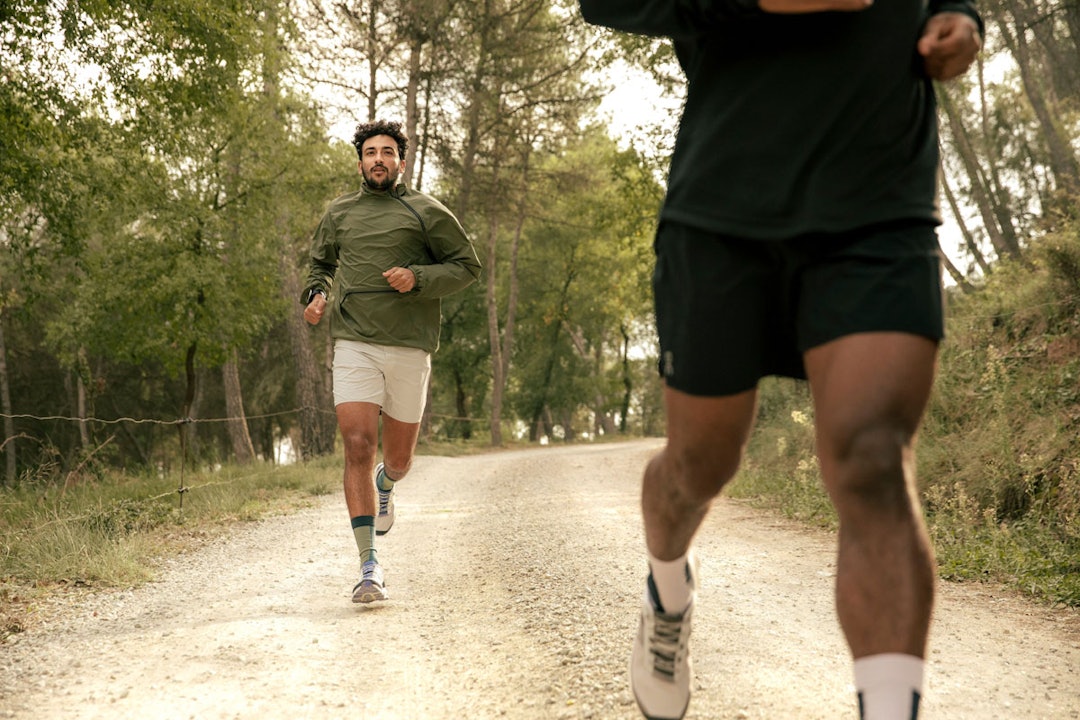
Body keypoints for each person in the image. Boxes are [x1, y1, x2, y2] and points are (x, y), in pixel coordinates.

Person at [577, 2, 982, 719]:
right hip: (722, 211)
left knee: (873, 457)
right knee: (699, 465)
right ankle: (667, 594)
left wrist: (960, 13)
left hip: (877, 199)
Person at [302, 119, 481, 604]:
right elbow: (320, 266)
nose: (378, 159)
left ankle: (387, 483)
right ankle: (368, 565)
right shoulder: (339, 213)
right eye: (369, 152)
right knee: (357, 445)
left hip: (409, 344)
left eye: (387, 152)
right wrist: (316, 295)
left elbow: (467, 266)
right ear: (359, 161)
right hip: (354, 341)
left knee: (397, 460)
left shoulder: (427, 211)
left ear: (401, 161)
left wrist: (419, 278)